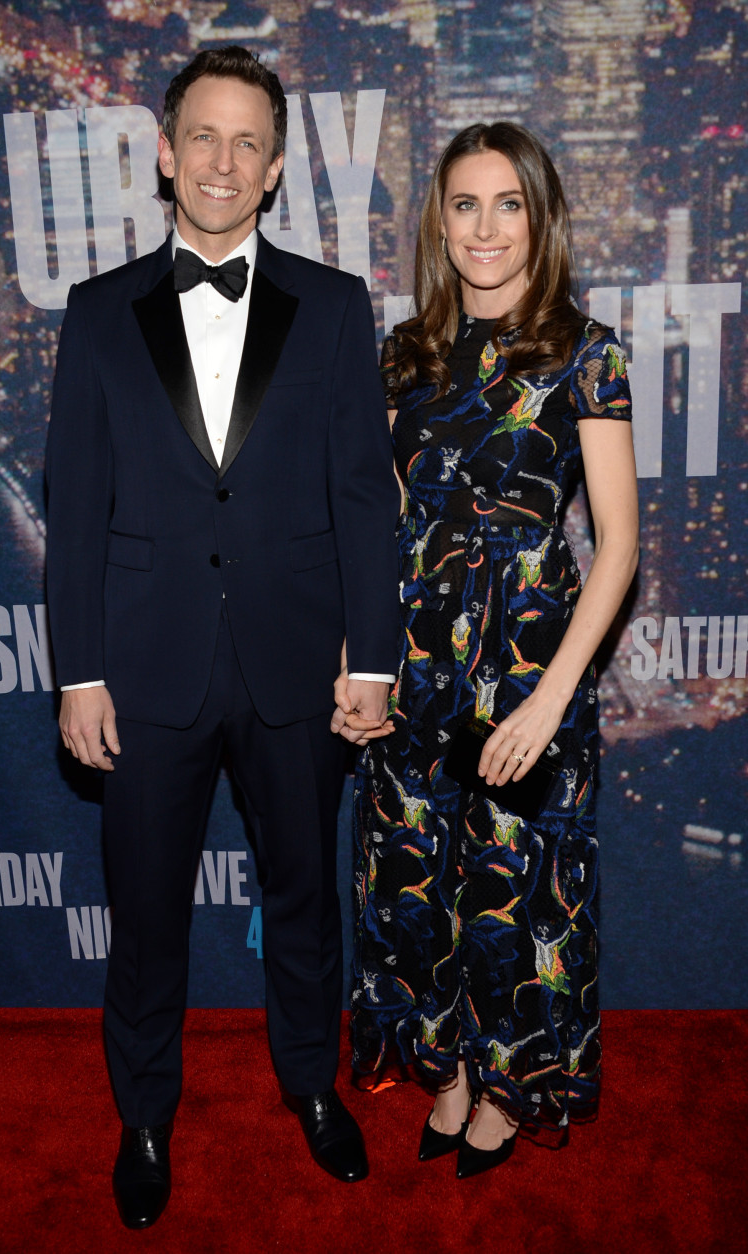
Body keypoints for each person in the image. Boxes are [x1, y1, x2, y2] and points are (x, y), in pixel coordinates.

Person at [46, 46, 400, 1229]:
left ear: (276, 167)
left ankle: (311, 1086)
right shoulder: (98, 315)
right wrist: (79, 672)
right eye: (203, 135)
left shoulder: (334, 307)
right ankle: (145, 1114)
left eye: (249, 142)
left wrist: (373, 657)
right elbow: (74, 508)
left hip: (297, 664)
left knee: (304, 898)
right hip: (145, 671)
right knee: (145, 914)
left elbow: (363, 498)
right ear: (165, 150)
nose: (222, 161)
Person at [347, 121, 639, 1177]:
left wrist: (551, 700)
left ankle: (513, 1088)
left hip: (526, 666)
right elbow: (377, 525)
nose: (484, 227)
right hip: (416, 661)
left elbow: (618, 547)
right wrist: (360, 661)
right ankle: (450, 1073)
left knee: (517, 894)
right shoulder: (404, 354)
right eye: (464, 204)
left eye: (506, 204)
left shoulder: (586, 352)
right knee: (416, 885)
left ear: (539, 218)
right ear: (438, 221)